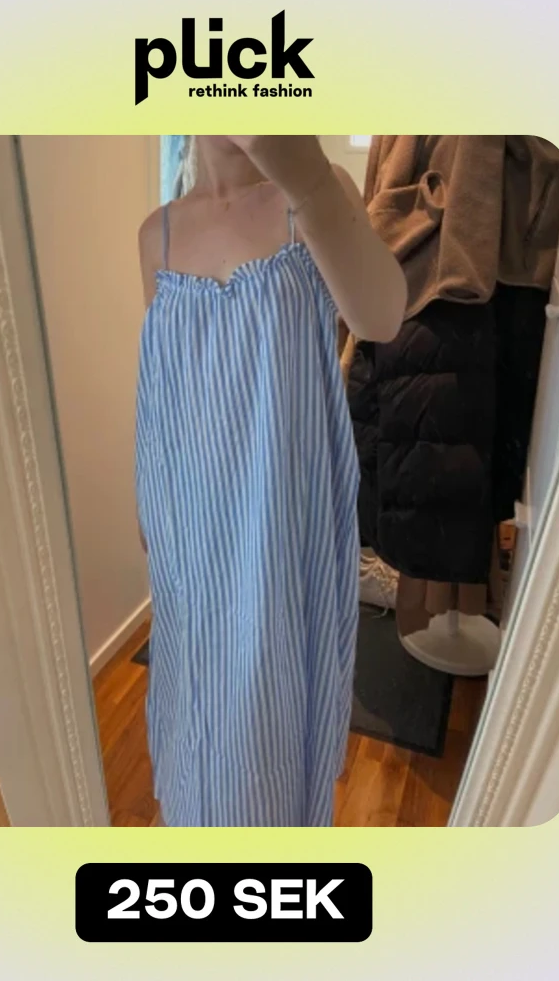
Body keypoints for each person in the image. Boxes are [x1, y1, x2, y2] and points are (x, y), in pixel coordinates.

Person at [135, 135, 406, 826]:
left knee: (274, 712)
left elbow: (381, 317)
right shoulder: (156, 236)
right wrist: (147, 508)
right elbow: (162, 393)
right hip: (190, 523)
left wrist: (305, 176)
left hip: (284, 521)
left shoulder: (313, 195)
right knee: (196, 702)